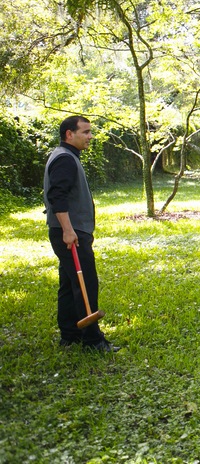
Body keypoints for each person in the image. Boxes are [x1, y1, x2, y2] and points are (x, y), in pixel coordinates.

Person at [44, 116, 119, 352]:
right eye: (85, 132)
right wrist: (68, 231)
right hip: (70, 233)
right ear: (69, 134)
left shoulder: (63, 155)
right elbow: (57, 196)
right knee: (86, 283)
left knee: (69, 283)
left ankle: (69, 334)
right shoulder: (65, 158)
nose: (90, 136)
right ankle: (93, 340)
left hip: (70, 231)